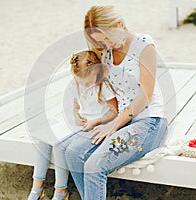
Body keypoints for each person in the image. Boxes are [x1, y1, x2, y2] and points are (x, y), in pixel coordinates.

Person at [55, 5, 168, 199]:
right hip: (121, 122)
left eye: (108, 37)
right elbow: (86, 76)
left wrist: (114, 124)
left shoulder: (143, 44)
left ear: (119, 24)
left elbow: (146, 93)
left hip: (148, 122)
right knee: (72, 152)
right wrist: (88, 115)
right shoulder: (105, 52)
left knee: (94, 166)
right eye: (101, 41)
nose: (107, 44)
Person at [28, 50, 118, 200]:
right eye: (82, 82)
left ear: (96, 71)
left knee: (59, 145)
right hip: (81, 125)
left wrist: (97, 121)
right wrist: (77, 116)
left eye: (88, 82)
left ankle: (60, 191)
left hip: (97, 126)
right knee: (43, 139)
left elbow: (114, 111)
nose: (85, 85)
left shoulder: (103, 86)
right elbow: (76, 106)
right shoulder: (78, 84)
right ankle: (37, 189)